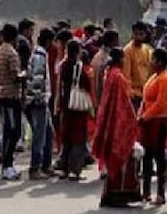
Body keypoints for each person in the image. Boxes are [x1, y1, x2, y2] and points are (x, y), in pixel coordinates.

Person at [93, 48, 141, 207]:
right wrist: (133, 120)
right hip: (119, 123)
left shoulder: (110, 74)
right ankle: (119, 195)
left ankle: (110, 194)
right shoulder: (118, 77)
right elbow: (123, 104)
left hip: (110, 122)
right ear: (120, 59)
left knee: (114, 159)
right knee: (122, 159)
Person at [138, 48, 167, 204]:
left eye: (153, 59)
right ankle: (145, 192)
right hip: (148, 121)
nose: (151, 62)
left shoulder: (165, 79)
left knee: (158, 157)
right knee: (147, 157)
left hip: (158, 122)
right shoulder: (154, 77)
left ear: (160, 62)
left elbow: (161, 103)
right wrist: (140, 115)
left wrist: (145, 116)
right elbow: (145, 99)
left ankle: (160, 193)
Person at [56, 39, 91, 181]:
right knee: (79, 138)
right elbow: (87, 85)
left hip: (66, 104)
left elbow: (60, 85)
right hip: (78, 107)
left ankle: (63, 167)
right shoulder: (80, 67)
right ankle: (75, 170)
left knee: (67, 137)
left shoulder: (63, 66)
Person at [25, 28, 55, 180]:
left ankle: (46, 165)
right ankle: (35, 168)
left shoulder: (38, 53)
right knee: (39, 135)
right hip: (39, 101)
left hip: (42, 99)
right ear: (49, 41)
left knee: (48, 133)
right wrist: (39, 98)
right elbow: (37, 79)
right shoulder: (40, 56)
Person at [0, 23, 23, 181]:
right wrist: (25, 75)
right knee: (14, 131)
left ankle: (7, 165)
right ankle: (7, 165)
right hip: (11, 95)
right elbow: (15, 76)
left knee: (8, 131)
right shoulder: (11, 53)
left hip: (3, 93)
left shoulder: (0, 50)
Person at [123, 21, 153, 111]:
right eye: (136, 34)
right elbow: (126, 75)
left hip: (146, 92)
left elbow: (151, 70)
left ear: (145, 35)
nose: (138, 37)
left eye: (141, 34)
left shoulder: (147, 50)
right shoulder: (127, 51)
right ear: (132, 34)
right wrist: (130, 92)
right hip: (134, 94)